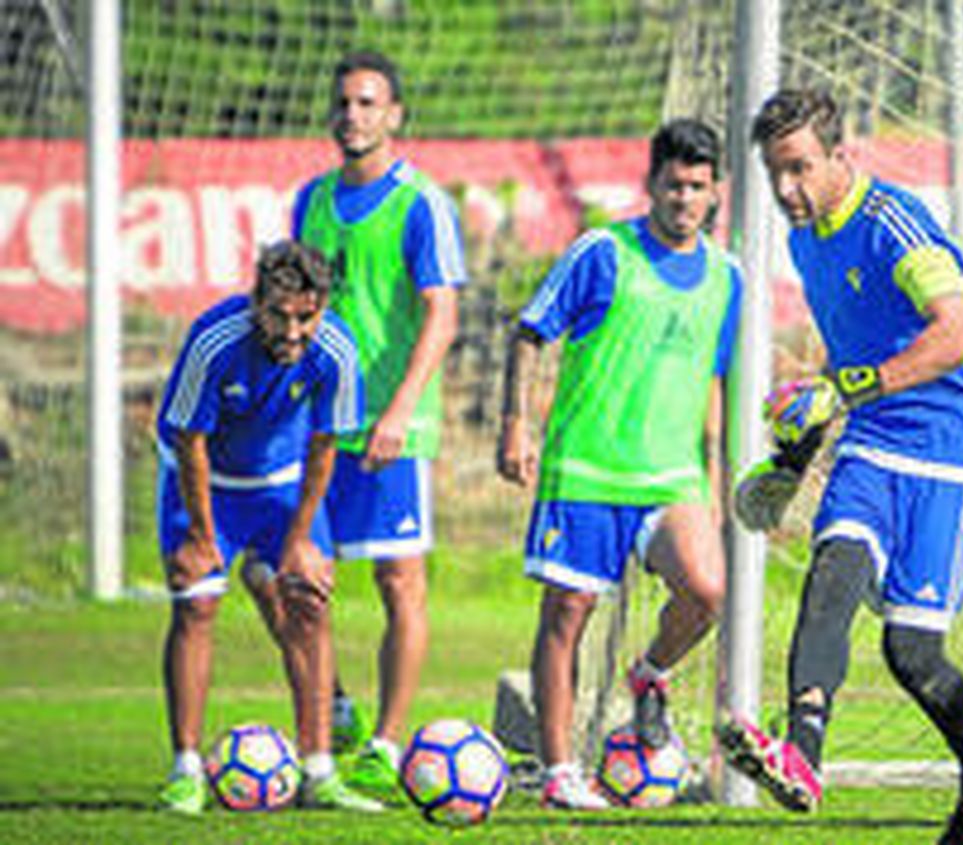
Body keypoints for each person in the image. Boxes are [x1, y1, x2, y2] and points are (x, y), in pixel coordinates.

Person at [718, 88, 963, 845]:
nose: (786, 188)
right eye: (774, 172)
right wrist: (794, 461)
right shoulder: (805, 240)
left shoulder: (892, 222)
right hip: (875, 439)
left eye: (799, 168)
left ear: (838, 157)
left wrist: (844, 390)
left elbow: (962, 334)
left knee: (912, 654)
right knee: (833, 566)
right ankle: (802, 755)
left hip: (958, 447)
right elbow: (849, 357)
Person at [497, 118, 741, 810]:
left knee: (707, 590)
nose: (684, 199)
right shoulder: (602, 251)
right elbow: (530, 333)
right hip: (587, 468)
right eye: (673, 185)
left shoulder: (727, 276)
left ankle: (649, 672)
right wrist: (515, 425)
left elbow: (714, 380)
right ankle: (560, 770)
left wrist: (716, 481)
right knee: (568, 614)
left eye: (697, 187)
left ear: (715, 191)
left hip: (672, 477)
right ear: (650, 184)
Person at [288, 50, 467, 799]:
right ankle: (333, 707)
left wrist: (399, 408)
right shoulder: (311, 200)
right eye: (344, 102)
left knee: (399, 581)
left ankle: (385, 746)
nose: (352, 115)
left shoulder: (422, 203)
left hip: (392, 429)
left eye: (368, 103)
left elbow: (442, 314)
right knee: (289, 577)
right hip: (315, 427)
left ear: (394, 115)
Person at [155, 241, 381, 815]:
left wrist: (300, 540)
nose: (293, 331)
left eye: (306, 317)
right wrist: (202, 536)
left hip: (281, 482)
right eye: (279, 315)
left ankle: (319, 773)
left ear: (322, 307)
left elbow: (325, 446)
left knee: (309, 603)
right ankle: (186, 770)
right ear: (256, 302)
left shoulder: (335, 349)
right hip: (203, 480)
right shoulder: (214, 340)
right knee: (196, 604)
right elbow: (188, 439)